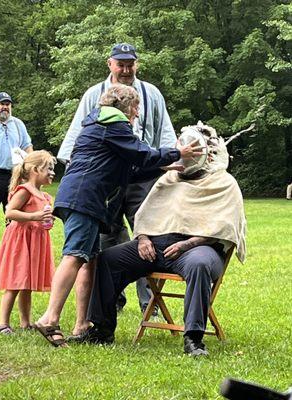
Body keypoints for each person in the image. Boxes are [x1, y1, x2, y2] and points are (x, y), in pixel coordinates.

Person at [35, 84, 202, 347]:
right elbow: (140, 154)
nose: (136, 114)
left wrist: (162, 166)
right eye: (136, 108)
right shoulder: (113, 123)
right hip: (84, 198)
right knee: (74, 255)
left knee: (89, 260)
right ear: (126, 104)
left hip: (83, 198)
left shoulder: (101, 125)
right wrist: (176, 153)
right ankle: (49, 318)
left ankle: (83, 324)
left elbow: (128, 172)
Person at [74, 123, 246, 356]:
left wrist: (188, 244)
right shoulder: (169, 178)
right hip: (154, 247)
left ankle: (193, 339)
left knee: (199, 264)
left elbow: (224, 228)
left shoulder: (224, 184)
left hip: (197, 249)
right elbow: (147, 214)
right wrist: (143, 237)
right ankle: (102, 330)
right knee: (107, 259)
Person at [57, 43, 177, 333]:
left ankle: (150, 303)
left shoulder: (151, 93)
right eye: (120, 64)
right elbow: (77, 137)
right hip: (104, 183)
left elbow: (165, 134)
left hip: (141, 177)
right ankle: (110, 301)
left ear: (137, 64)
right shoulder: (94, 95)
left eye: (130, 64)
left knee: (148, 236)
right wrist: (83, 171)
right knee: (104, 242)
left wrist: (170, 163)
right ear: (109, 64)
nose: (125, 69)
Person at [0, 150, 56, 333]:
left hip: (35, 241)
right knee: (15, 281)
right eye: (49, 168)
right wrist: (35, 216)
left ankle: (25, 323)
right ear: (35, 169)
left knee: (27, 282)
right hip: (20, 241)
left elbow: (41, 219)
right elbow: (9, 212)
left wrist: (46, 222)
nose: (52, 172)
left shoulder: (44, 195)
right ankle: (2, 323)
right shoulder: (24, 190)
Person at [0, 92, 33, 228]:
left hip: (15, 175)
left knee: (14, 219)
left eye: (7, 104)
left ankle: (12, 249)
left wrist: (31, 167)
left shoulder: (17, 124)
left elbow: (27, 146)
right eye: (2, 104)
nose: (5, 107)